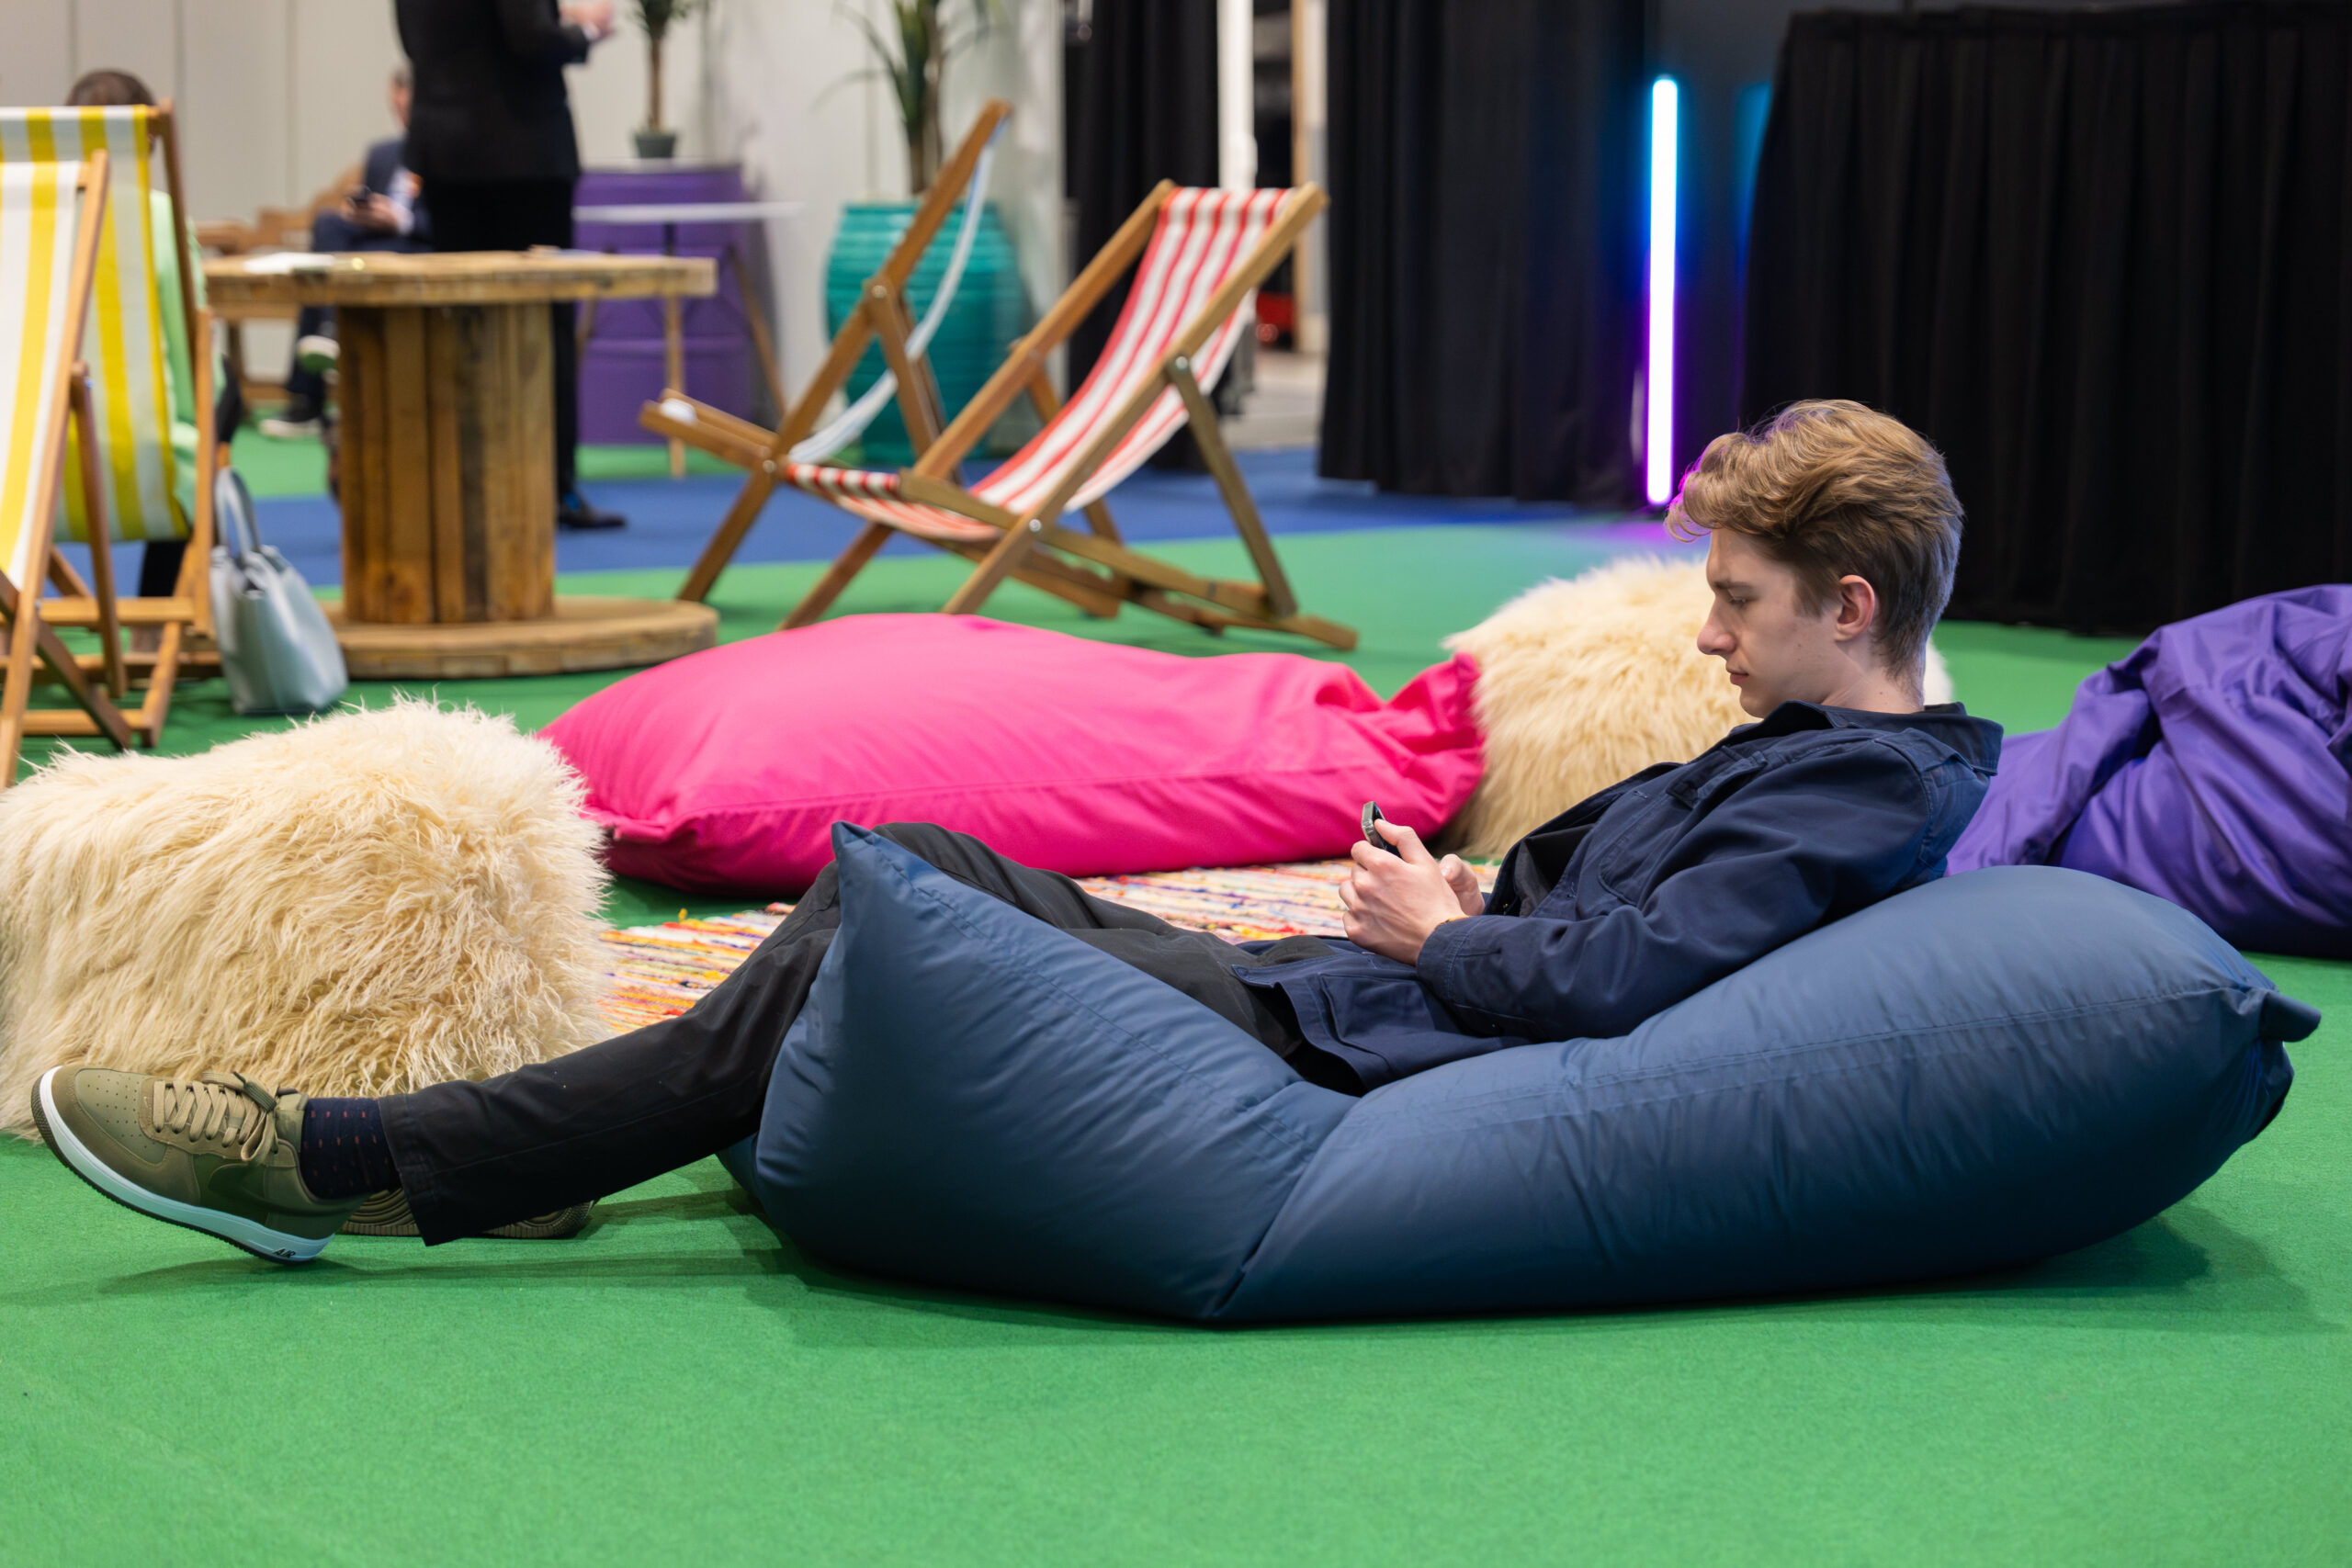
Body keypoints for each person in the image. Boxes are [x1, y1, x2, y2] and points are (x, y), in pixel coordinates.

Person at [31, 401, 2005, 1264]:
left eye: (1737, 600)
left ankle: (357, 1161)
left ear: (1848, 606)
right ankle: (449, 1152)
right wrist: (1481, 885)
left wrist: (1437, 928)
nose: (1703, 632)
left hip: (1342, 1040)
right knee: (889, 876)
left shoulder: (1856, 779)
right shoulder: (1826, 750)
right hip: (1320, 989)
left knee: (881, 910)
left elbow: (1622, 978)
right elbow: (1648, 913)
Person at [394, 0, 627, 530]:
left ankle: (462, 480)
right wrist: (585, 31)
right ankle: (552, 486)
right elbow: (530, 39)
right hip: (521, 156)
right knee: (544, 323)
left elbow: (416, 41)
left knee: (460, 324)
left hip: (444, 152)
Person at [60, 70, 239, 624]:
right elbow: (190, 352)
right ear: (148, 144)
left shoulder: (30, 218)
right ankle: (156, 622)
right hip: (142, 464)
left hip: (35, 470)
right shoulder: (158, 219)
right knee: (224, 400)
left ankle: (10, 628)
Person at [257, 66, 433, 440]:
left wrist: (401, 220)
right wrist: (360, 213)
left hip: (420, 247)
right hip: (375, 243)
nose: (402, 112)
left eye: (409, 105)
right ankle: (328, 333)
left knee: (329, 270)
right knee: (327, 230)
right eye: (397, 105)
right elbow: (366, 207)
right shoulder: (383, 153)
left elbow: (455, 221)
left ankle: (319, 361)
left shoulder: (447, 153)